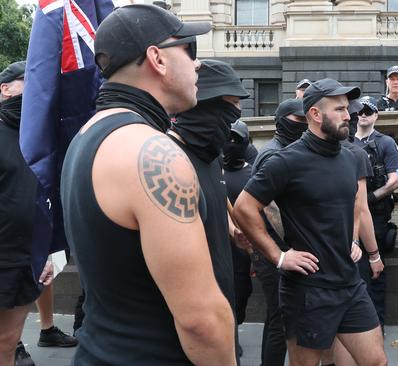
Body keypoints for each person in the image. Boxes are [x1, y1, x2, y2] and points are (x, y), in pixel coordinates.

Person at [60, 5, 235, 365]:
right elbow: (200, 319)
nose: (197, 63)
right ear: (157, 58)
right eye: (190, 49)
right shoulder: (153, 152)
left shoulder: (87, 134)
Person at [234, 78, 387, 366]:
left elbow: (355, 205)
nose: (348, 115)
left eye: (348, 108)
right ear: (315, 115)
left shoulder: (351, 157)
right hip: (308, 291)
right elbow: (244, 207)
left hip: (350, 284)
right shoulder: (286, 161)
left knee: (376, 361)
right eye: (339, 109)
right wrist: (278, 257)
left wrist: (354, 240)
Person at [169, 58, 251, 362]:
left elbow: (216, 195)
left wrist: (231, 228)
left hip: (223, 296)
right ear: (203, 104)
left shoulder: (211, 156)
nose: (236, 115)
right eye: (229, 105)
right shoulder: (170, 161)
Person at [0, 60, 55, 366]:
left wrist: (45, 252)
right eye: (26, 81)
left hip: (25, 258)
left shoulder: (41, 139)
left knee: (7, 342)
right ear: (4, 89)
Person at [250, 97, 308, 366]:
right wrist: (286, 250)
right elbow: (269, 209)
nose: (303, 125)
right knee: (280, 321)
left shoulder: (285, 149)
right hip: (276, 253)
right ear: (281, 121)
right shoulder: (275, 153)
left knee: (279, 318)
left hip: (276, 252)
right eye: (298, 120)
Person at [353, 96, 398, 326]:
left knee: (376, 270)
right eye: (360, 110)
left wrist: (371, 197)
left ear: (376, 115)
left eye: (369, 111)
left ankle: (377, 324)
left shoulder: (386, 143)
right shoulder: (345, 141)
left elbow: (395, 180)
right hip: (350, 215)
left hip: (377, 215)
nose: (363, 114)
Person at [222, 119, 254, 326]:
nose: (231, 143)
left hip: (244, 254)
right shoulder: (213, 171)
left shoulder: (254, 175)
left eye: (236, 140)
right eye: (228, 139)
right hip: (219, 251)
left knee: (240, 297)